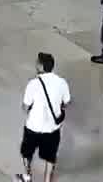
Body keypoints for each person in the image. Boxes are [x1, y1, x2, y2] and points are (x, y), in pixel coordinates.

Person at [17, 52, 71, 182]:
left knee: (26, 152)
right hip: (52, 128)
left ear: (40, 66)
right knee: (50, 157)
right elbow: (67, 102)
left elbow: (25, 107)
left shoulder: (33, 84)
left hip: (33, 126)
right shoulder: (61, 82)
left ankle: (27, 175)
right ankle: (47, 180)